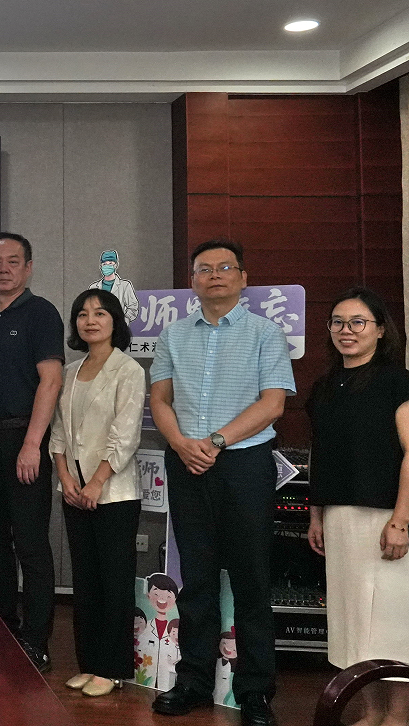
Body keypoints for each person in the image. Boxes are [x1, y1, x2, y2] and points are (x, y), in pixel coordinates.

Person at [149, 239, 295, 726]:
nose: (214, 275)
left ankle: (255, 692)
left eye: (225, 267)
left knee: (252, 580)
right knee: (197, 578)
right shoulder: (174, 334)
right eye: (204, 269)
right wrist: (180, 444)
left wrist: (215, 440)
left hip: (244, 464)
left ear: (243, 278)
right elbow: (160, 400)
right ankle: (192, 681)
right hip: (187, 463)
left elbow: (273, 404)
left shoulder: (265, 333)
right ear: (192, 281)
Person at [306, 286, 409, 726]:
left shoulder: (398, 381)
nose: (346, 330)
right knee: (352, 625)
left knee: (390, 625)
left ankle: (398, 716)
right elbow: (320, 454)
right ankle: (371, 712)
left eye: (358, 322)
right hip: (339, 517)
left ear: (381, 330)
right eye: (338, 322)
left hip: (386, 516)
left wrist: (401, 520)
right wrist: (316, 514)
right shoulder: (325, 387)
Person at [0, 231, 64, 671]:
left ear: (28, 267)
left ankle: (36, 640)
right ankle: (2, 627)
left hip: (22, 441)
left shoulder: (41, 313)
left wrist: (31, 445)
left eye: (12, 261)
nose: (3, 269)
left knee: (30, 544)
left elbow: (51, 381)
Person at [50, 288, 146, 698]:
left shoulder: (129, 369)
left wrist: (96, 481)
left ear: (115, 321)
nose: (90, 320)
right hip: (74, 491)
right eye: (83, 314)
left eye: (100, 313)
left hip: (114, 493)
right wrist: (66, 478)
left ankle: (113, 668)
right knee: (85, 581)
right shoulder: (71, 371)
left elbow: (126, 435)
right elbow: (58, 431)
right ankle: (89, 663)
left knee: (114, 581)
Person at [89, 249, 138, 323]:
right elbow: (89, 308)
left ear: (116, 265)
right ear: (101, 266)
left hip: (117, 325)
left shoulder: (125, 286)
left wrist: (125, 320)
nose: (107, 266)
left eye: (110, 263)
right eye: (104, 264)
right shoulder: (93, 287)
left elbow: (133, 306)